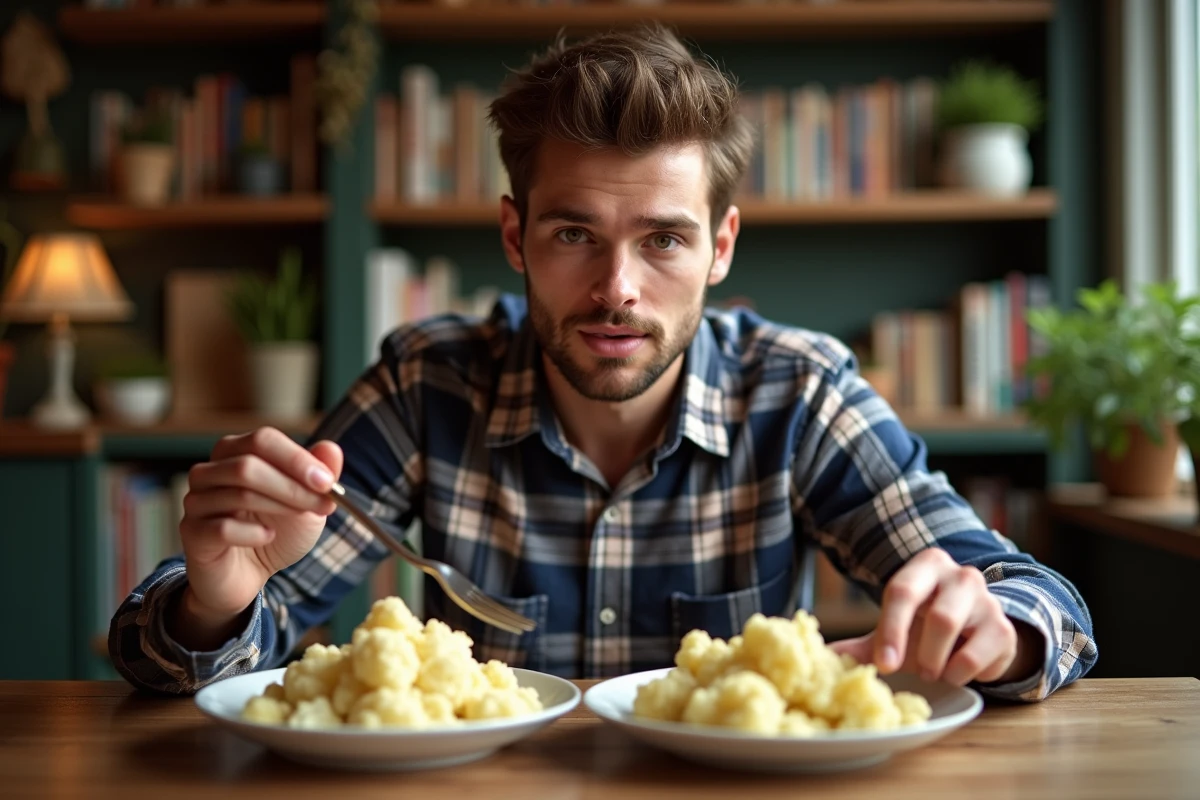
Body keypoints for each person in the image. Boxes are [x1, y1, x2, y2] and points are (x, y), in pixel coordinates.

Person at [110, 25, 1096, 700]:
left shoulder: (799, 392)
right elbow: (194, 649)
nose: (618, 287)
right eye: (576, 232)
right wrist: (217, 597)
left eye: (663, 239)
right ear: (515, 233)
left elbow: (1040, 602)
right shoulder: (427, 383)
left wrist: (995, 625)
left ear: (721, 246)